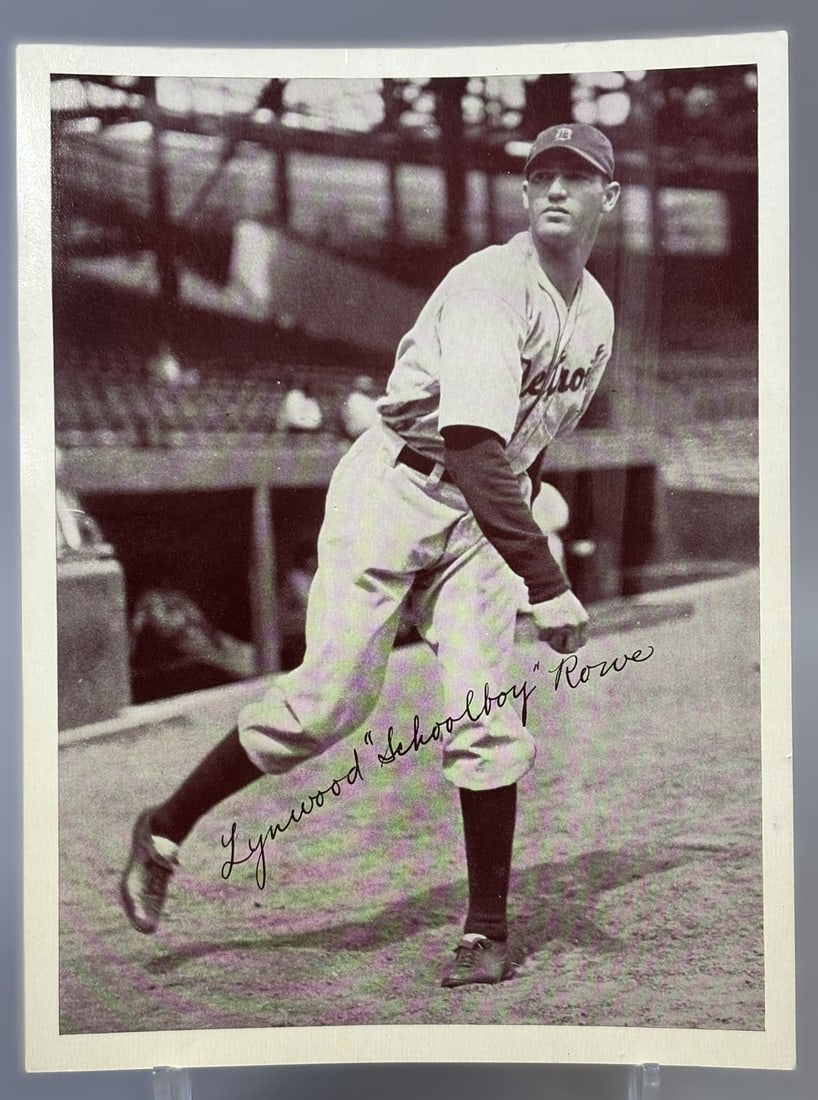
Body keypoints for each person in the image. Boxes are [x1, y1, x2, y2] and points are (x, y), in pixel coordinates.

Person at [120, 122, 621, 988]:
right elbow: (468, 439)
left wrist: (522, 543)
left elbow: (526, 440)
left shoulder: (598, 315)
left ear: (608, 199)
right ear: (525, 192)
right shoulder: (488, 287)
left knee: (485, 709)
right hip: (397, 488)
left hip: (480, 512)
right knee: (325, 707)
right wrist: (548, 579)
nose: (556, 190)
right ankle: (162, 829)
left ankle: (485, 931)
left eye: (578, 177)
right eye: (542, 174)